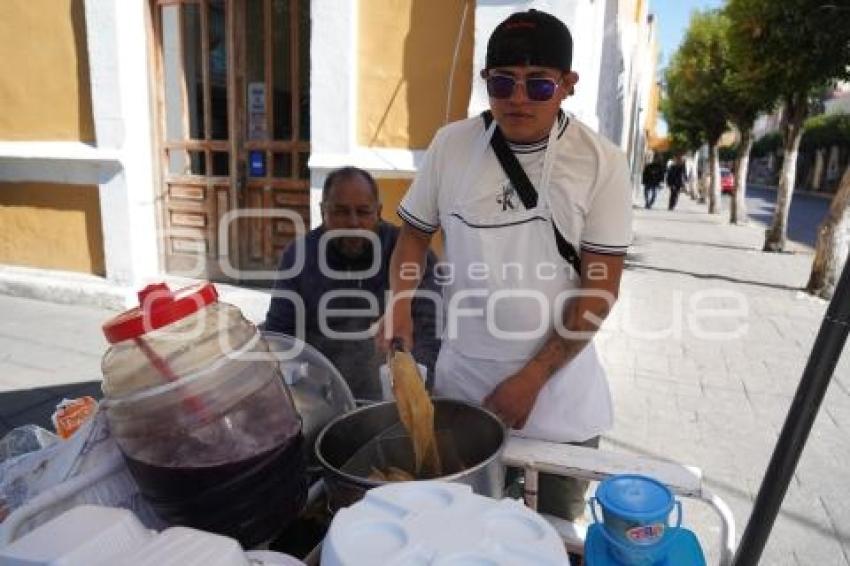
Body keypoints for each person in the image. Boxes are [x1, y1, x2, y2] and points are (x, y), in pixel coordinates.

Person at [377, 9, 632, 522]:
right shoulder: (452, 146)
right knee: (462, 532)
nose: (518, 98)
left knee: (553, 538)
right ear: (485, 82)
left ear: (567, 85)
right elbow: (413, 237)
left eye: (538, 84)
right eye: (502, 83)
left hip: (560, 404)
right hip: (463, 396)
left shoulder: (601, 162)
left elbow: (600, 288)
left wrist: (533, 377)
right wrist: (398, 306)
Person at [265, 166, 441, 400]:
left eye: (363, 212)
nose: (353, 223)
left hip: (390, 395)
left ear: (378, 212)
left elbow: (431, 330)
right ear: (323, 211)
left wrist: (417, 383)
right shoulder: (298, 256)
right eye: (340, 212)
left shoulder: (409, 255)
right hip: (321, 395)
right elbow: (279, 335)